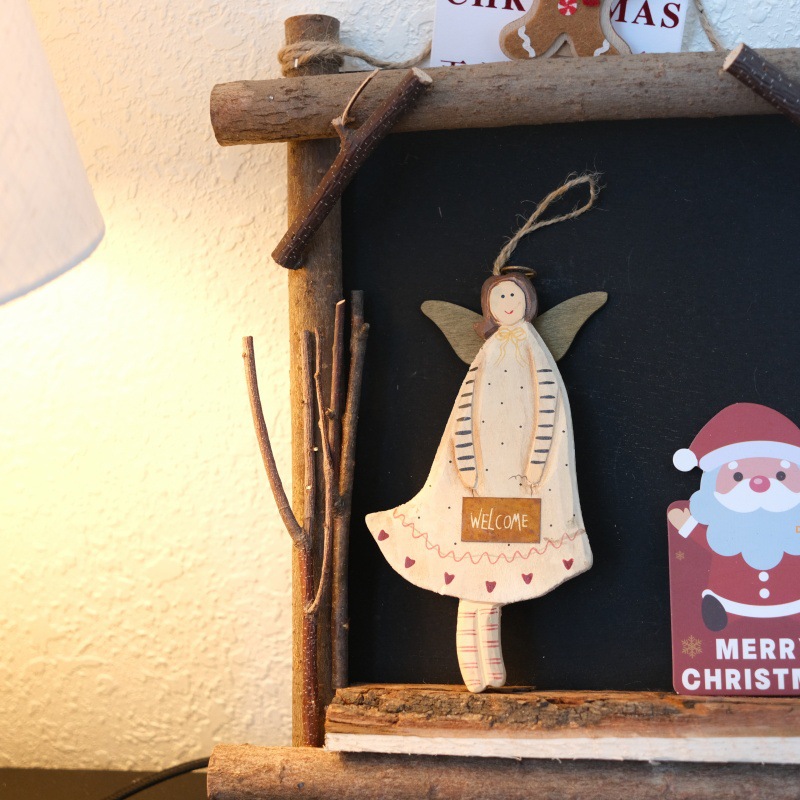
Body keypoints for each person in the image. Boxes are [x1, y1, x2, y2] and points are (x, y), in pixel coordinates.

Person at [366, 268, 592, 692]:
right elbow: (465, 414)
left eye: (513, 296)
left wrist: (536, 464)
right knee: (474, 574)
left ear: (527, 301)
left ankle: (486, 669)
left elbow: (548, 408)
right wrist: (467, 466)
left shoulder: (535, 352)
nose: (507, 304)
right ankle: (479, 672)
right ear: (489, 306)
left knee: (492, 579)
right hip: (478, 481)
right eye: (499, 297)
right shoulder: (487, 355)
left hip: (521, 483)